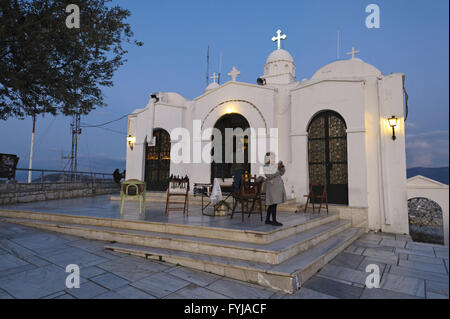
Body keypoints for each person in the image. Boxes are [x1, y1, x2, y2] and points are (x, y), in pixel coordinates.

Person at [263, 152, 287, 226]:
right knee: (273, 203)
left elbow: (281, 173)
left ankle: (267, 219)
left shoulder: (274, 165)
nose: (273, 159)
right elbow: (270, 176)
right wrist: (277, 169)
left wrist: (282, 167)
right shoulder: (266, 166)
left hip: (277, 187)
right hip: (272, 187)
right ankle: (274, 220)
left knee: (272, 204)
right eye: (272, 157)